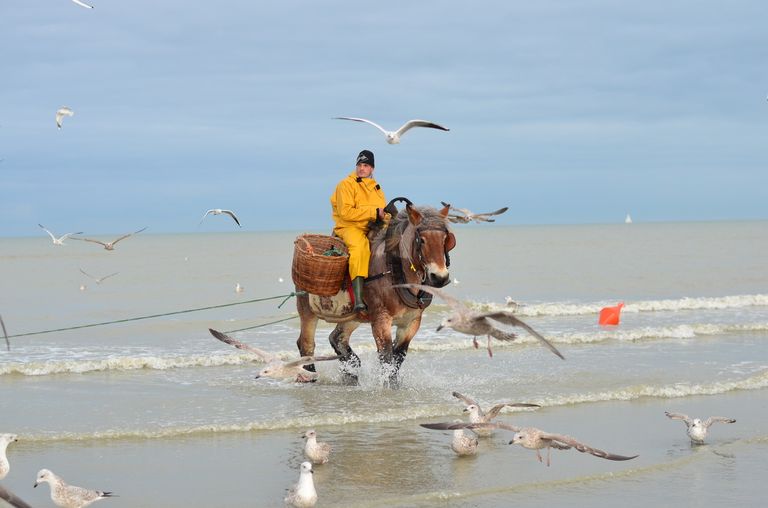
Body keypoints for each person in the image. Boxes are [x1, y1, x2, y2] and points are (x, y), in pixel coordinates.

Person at [330, 149, 386, 312]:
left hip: (371, 226)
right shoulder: (346, 184)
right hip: (349, 226)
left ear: (372, 169)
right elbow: (345, 213)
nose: (362, 168)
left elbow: (381, 211)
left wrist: (388, 216)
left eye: (366, 165)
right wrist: (373, 213)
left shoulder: (377, 188)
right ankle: (359, 300)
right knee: (360, 248)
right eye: (360, 165)